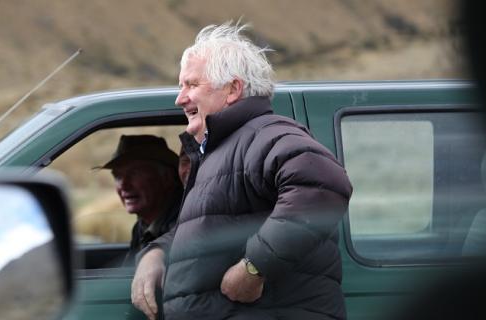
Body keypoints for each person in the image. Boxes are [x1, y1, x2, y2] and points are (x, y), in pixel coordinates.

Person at [131, 21, 353, 320]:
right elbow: (213, 225)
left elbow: (324, 185)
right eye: (181, 85)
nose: (180, 98)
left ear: (233, 89)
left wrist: (254, 267)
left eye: (192, 85)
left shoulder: (264, 133)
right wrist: (155, 253)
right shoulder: (224, 148)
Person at [96, 135, 183, 265]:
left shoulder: (184, 224)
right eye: (118, 176)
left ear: (166, 178)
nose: (123, 185)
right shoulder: (142, 226)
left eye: (135, 173)